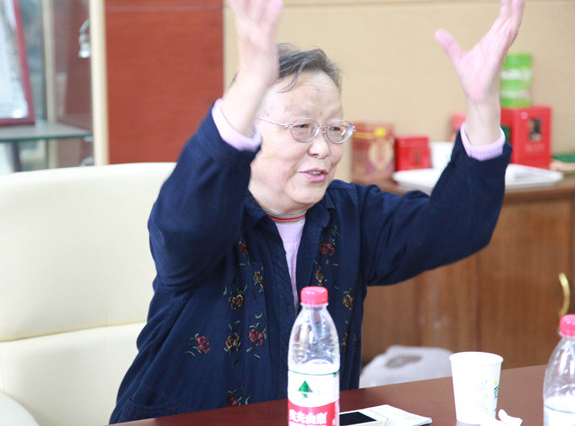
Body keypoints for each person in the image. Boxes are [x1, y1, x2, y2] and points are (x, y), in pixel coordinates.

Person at [110, 0, 525, 421]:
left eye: (334, 129)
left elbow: (455, 227)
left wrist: (483, 105)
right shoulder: (211, 215)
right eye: (302, 128)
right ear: (249, 132)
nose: (323, 148)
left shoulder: (350, 213)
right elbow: (186, 220)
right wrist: (249, 84)